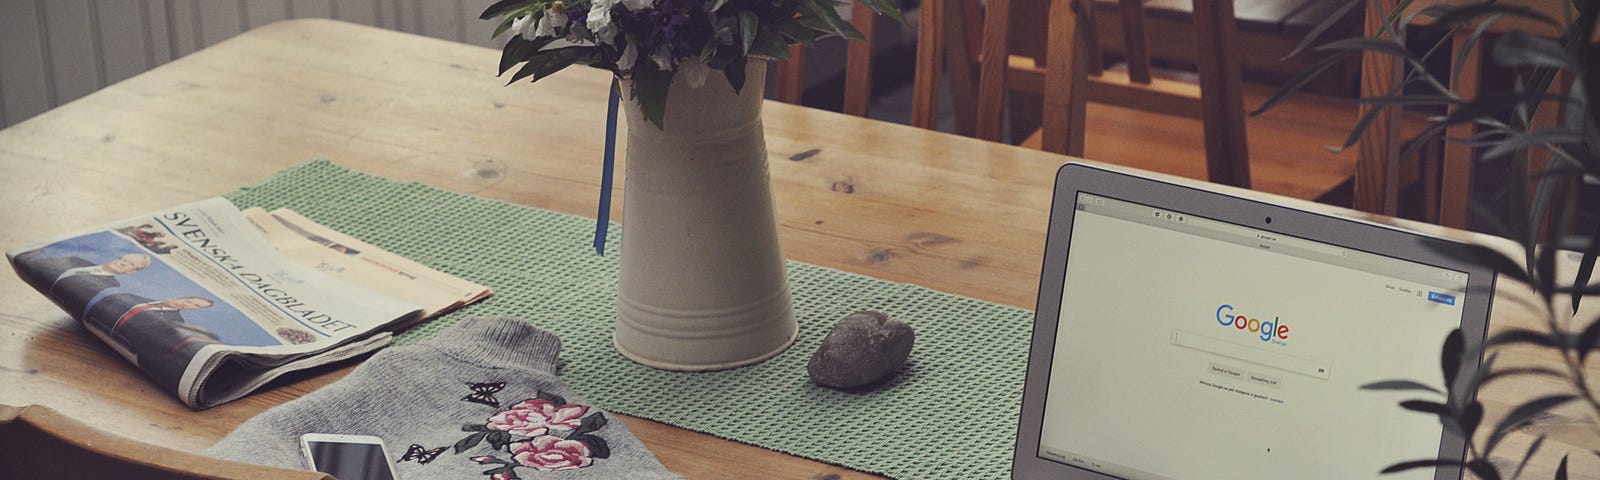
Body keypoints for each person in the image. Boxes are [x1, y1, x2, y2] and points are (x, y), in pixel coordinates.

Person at [84, 293, 220, 394]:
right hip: (86, 333)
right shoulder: (131, 297)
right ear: (179, 297)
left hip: (112, 362)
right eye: (189, 301)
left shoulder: (174, 323)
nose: (187, 305)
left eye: (194, 306)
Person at [13, 252, 151, 317]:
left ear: (131, 272)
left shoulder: (109, 287)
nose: (123, 263)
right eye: (124, 259)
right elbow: (38, 265)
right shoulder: (76, 260)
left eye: (131, 264)